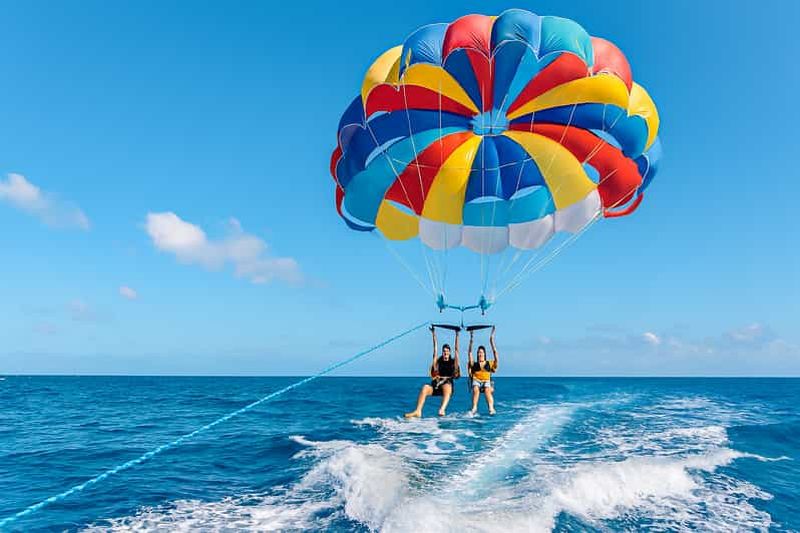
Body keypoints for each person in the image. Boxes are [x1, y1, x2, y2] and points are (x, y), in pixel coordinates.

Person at [404, 326, 460, 418]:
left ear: (450, 352)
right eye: (444, 351)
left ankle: (442, 409)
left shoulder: (453, 362)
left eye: (447, 351)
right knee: (425, 387)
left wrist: (457, 335)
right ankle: (418, 411)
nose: (445, 353)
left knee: (447, 386)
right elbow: (435, 349)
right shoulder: (438, 361)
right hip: (437, 385)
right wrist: (433, 334)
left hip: (447, 385)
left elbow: (457, 350)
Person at [468, 326, 498, 415]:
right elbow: (469, 352)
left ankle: (491, 408)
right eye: (479, 352)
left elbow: (495, 353)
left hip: (486, 381)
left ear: (484, 354)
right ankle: (474, 408)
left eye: (481, 352)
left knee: (487, 390)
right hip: (476, 381)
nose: (480, 354)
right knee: (476, 390)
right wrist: (471, 339)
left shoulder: (490, 363)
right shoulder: (474, 364)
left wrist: (491, 339)